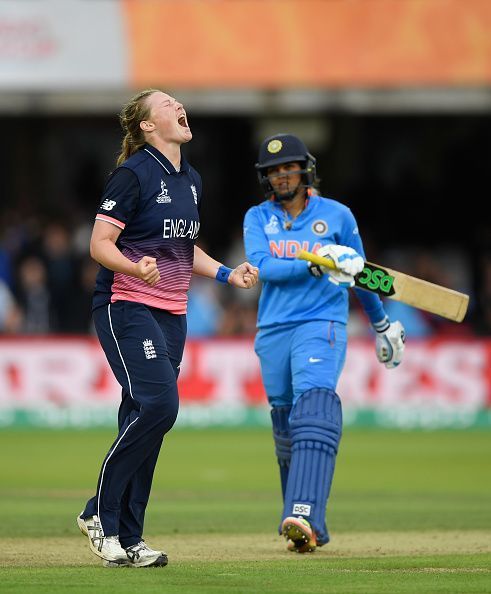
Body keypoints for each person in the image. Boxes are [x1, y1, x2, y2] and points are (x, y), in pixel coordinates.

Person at [77, 89, 258, 568]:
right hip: (126, 304)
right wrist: (135, 270)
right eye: (168, 103)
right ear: (147, 126)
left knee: (144, 417)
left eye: (180, 101)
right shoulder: (132, 174)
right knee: (161, 405)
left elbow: (183, 248)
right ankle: (98, 514)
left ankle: (129, 538)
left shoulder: (191, 179)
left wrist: (226, 274)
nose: (180, 106)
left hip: (171, 312)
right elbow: (100, 243)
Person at [243, 133, 405, 553]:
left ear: (305, 169)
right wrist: (318, 261)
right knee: (285, 426)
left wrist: (382, 324)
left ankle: (304, 512)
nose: (282, 175)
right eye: (274, 170)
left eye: (288, 167)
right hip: (273, 329)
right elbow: (265, 268)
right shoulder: (258, 218)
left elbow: (361, 273)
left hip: (321, 323)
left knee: (313, 407)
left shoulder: (337, 216)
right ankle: (309, 526)